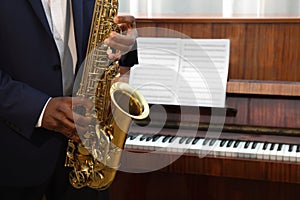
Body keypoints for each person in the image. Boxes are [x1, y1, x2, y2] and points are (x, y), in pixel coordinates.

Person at [0, 0, 138, 199]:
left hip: (86, 150)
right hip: (13, 154)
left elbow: (107, 51)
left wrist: (127, 47)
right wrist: (40, 109)